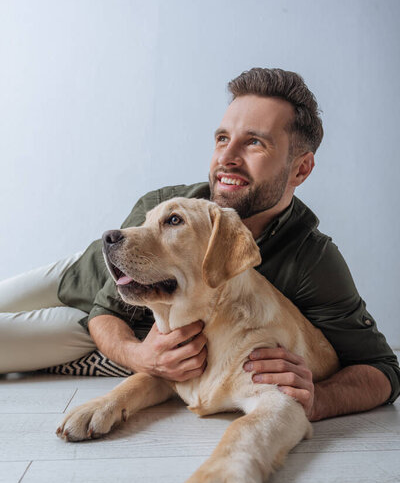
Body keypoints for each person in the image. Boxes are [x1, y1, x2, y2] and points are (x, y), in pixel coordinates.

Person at [1, 68, 399, 421]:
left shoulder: (310, 260)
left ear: (301, 167)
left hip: (91, 328)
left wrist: (319, 398)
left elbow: (382, 369)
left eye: (254, 143)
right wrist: (144, 357)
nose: (226, 157)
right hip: (87, 282)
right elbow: (107, 310)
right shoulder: (164, 205)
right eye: (222, 138)